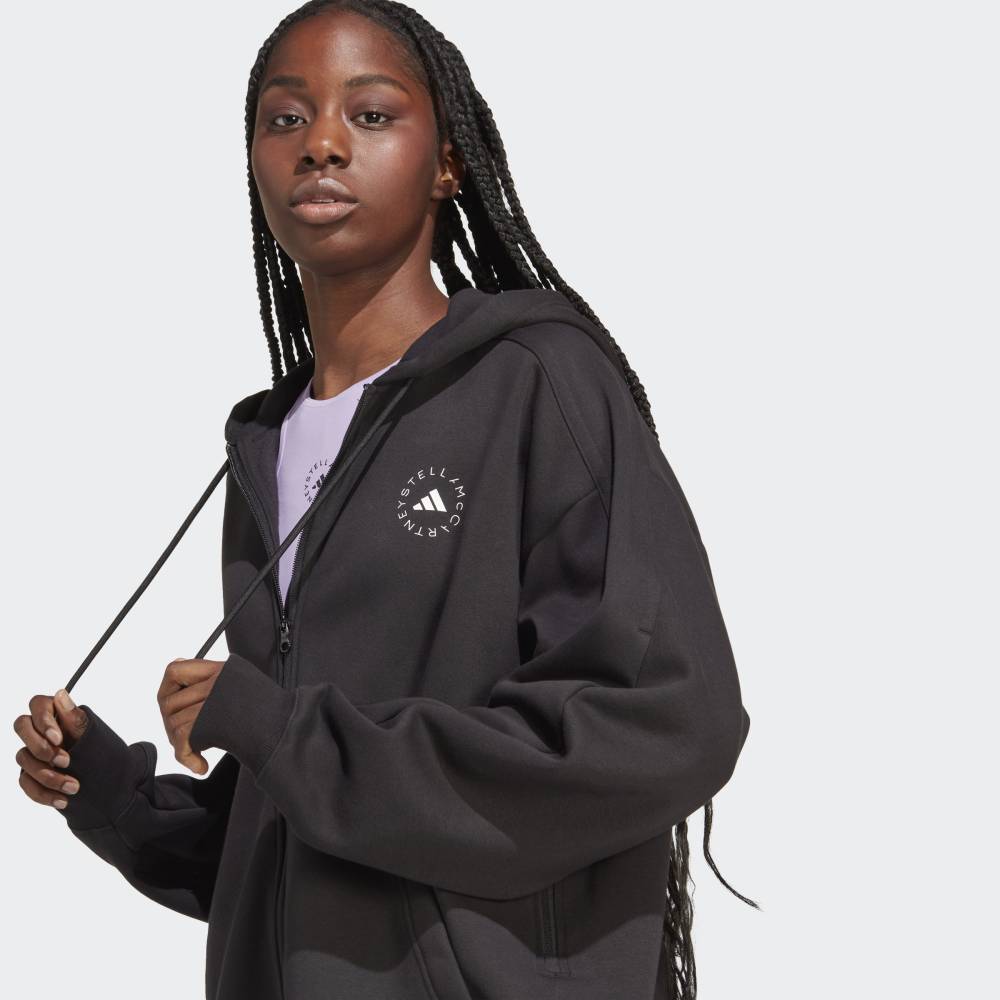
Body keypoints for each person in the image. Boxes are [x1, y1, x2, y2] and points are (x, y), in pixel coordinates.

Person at [13, 2, 756, 997]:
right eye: (285, 119)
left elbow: (665, 725)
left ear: (447, 163)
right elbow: (320, 836)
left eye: (370, 115)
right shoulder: (268, 445)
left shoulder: (536, 383)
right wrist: (116, 800)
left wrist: (284, 731)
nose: (320, 144)